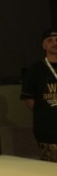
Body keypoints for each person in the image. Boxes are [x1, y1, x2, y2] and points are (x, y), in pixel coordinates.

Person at [20, 28, 57, 163]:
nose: (54, 43)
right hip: (48, 130)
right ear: (44, 45)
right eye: (50, 40)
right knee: (50, 169)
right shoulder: (35, 70)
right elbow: (29, 99)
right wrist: (44, 114)